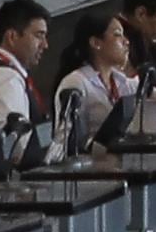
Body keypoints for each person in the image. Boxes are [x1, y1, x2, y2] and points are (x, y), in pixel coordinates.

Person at [53, 9, 145, 154]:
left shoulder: (120, 80)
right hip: (92, 170)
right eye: (117, 35)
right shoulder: (77, 82)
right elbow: (66, 140)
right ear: (96, 43)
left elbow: (149, 94)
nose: (126, 41)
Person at [0, 0, 53, 150]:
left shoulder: (6, 72)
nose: (45, 45)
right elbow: (17, 144)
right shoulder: (4, 78)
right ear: (12, 37)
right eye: (39, 36)